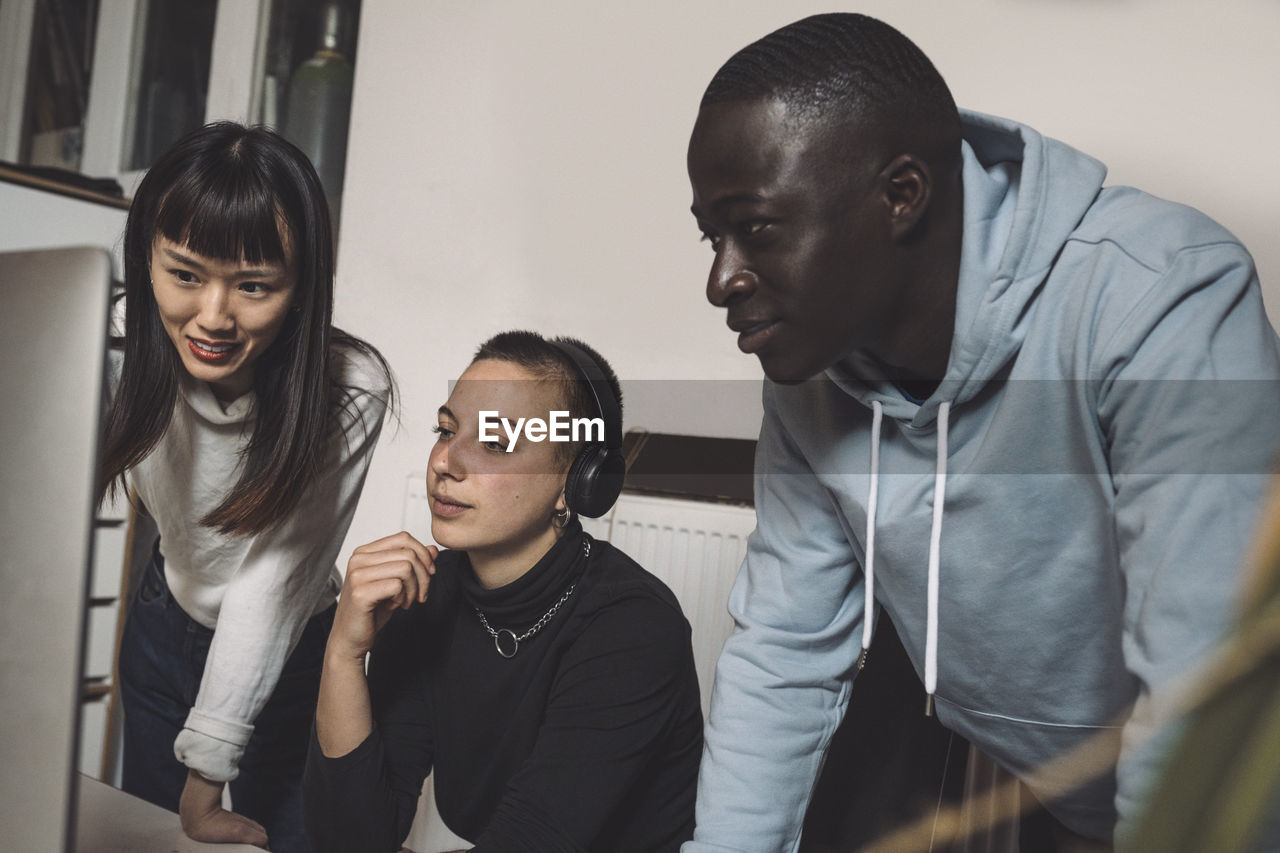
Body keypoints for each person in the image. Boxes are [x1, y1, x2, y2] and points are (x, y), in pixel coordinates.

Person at [683, 12, 1280, 852]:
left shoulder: (1160, 300)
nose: (721, 279)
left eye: (759, 229)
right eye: (712, 235)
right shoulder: (814, 371)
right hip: (1070, 799)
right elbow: (782, 652)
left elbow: (1203, 699)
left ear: (900, 194)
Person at [98, 121, 393, 852]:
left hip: (290, 645)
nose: (213, 316)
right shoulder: (124, 334)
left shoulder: (350, 391)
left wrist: (203, 781)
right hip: (163, 623)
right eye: (186, 273)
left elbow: (269, 582)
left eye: (254, 285)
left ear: (301, 289)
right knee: (147, 838)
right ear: (148, 259)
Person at [303, 331, 703, 852]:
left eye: (496, 442)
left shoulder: (634, 628)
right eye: (446, 430)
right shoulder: (426, 593)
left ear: (575, 480)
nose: (447, 462)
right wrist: (343, 653)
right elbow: (351, 839)